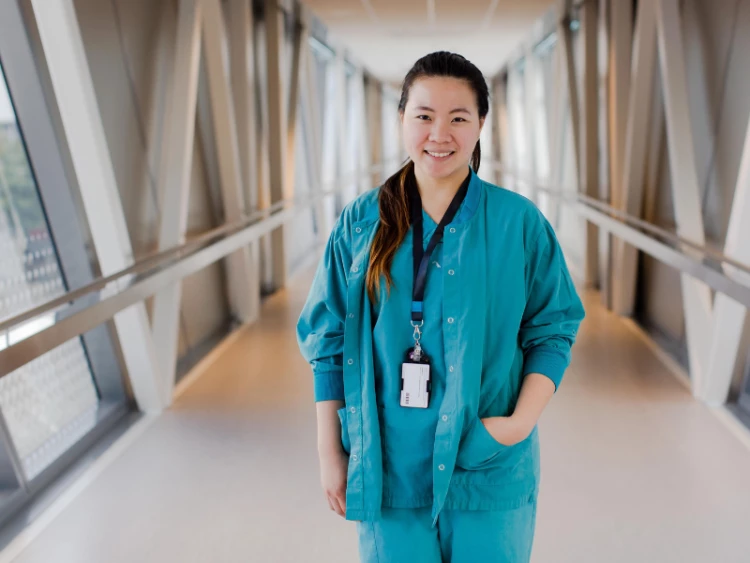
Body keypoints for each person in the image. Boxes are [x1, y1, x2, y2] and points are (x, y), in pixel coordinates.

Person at [296, 51, 585, 563]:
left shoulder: (519, 223)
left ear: (481, 126)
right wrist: (329, 452)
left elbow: (553, 329)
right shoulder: (360, 224)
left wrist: (516, 425)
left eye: (458, 118)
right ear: (401, 118)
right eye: (424, 116)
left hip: (488, 464)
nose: (439, 134)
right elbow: (329, 340)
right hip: (390, 466)